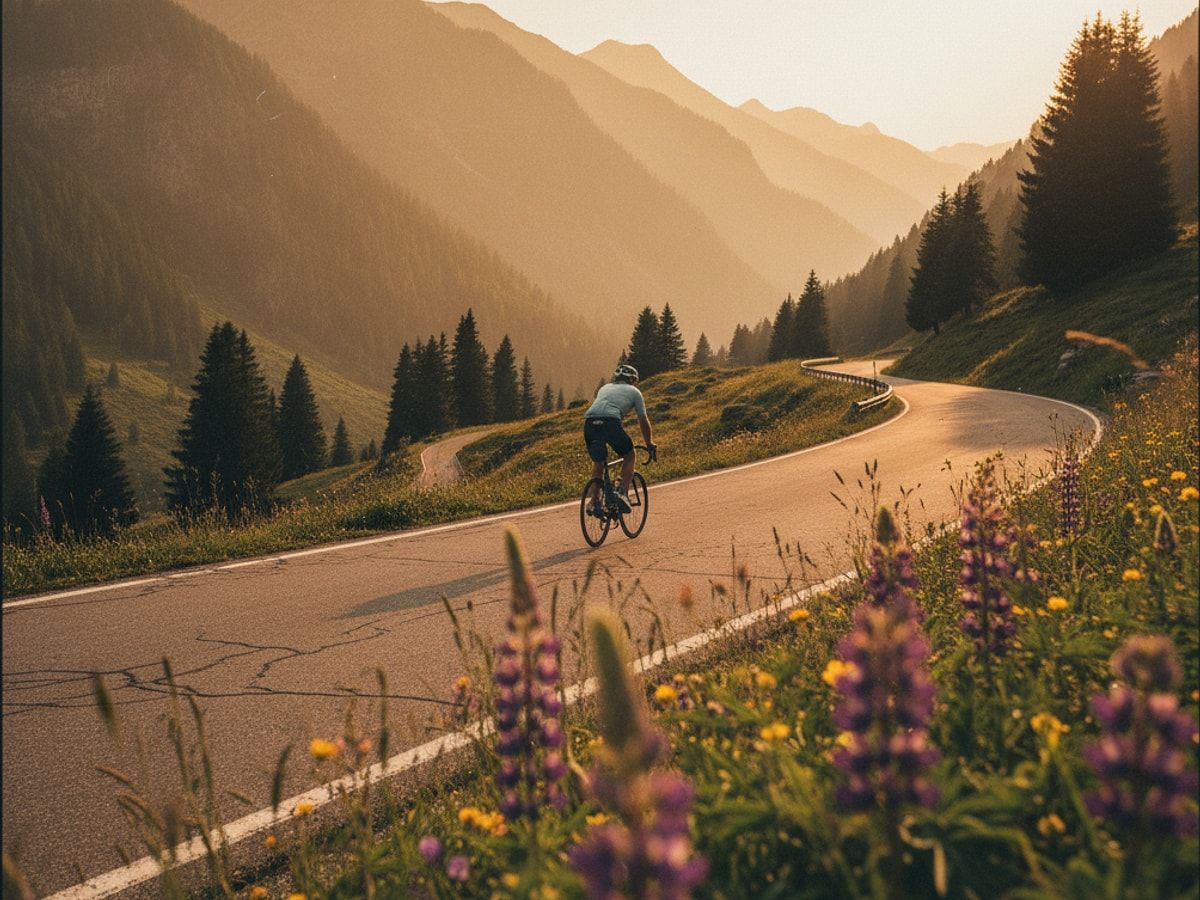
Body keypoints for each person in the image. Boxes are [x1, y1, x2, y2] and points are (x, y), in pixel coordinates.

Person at [583, 363, 655, 514]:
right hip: (610, 422)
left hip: (589, 423)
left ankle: (594, 502)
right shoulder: (635, 392)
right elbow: (643, 420)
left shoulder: (605, 388)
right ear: (632, 380)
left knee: (599, 462)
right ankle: (622, 493)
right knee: (630, 455)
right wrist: (649, 444)